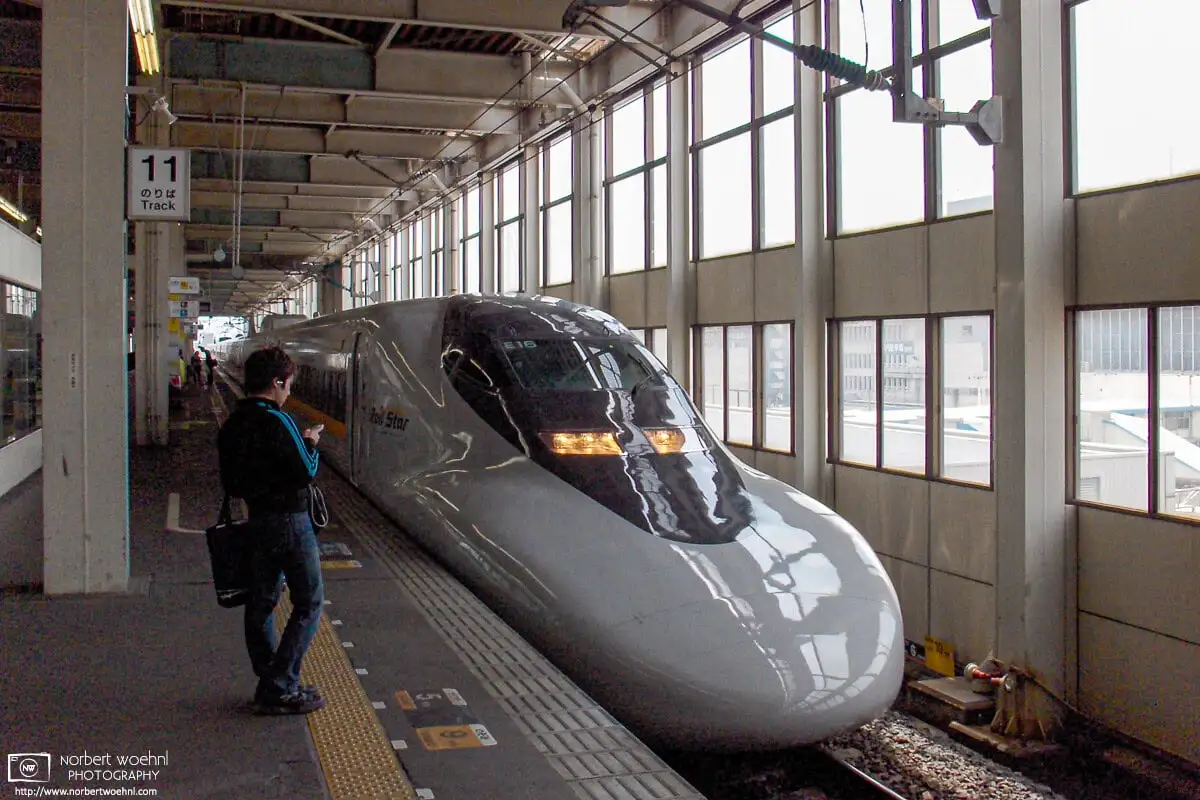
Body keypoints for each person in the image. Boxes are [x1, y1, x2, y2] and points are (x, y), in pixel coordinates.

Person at [217, 346, 327, 715]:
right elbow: (307, 470)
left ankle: (271, 679)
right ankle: (281, 685)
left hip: (257, 521)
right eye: (289, 385)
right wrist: (310, 441)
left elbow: (232, 484)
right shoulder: (278, 420)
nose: (289, 392)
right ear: (277, 382)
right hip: (289, 523)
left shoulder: (233, 423)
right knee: (309, 602)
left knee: (261, 602)